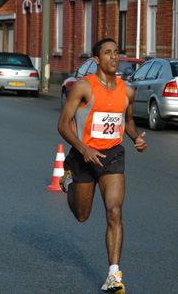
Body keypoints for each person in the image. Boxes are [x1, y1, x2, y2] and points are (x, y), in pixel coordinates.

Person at [57, 38, 147, 294]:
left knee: (114, 212)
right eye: (107, 53)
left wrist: (136, 138)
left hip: (112, 156)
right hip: (84, 156)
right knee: (82, 215)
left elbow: (126, 120)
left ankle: (113, 275)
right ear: (96, 59)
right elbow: (63, 124)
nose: (114, 57)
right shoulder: (83, 87)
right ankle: (70, 180)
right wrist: (84, 149)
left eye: (116, 52)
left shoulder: (127, 90)